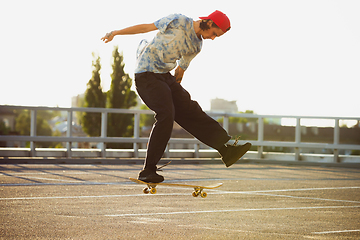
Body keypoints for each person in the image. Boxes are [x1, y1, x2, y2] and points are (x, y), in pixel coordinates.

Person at [101, 10, 252, 183]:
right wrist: (115, 33)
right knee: (167, 114)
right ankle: (148, 170)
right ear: (209, 23)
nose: (212, 38)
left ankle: (225, 149)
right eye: (214, 34)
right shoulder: (178, 20)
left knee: (190, 109)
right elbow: (145, 28)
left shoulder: (197, 46)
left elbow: (180, 71)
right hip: (146, 75)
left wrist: (178, 96)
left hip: (165, 78)